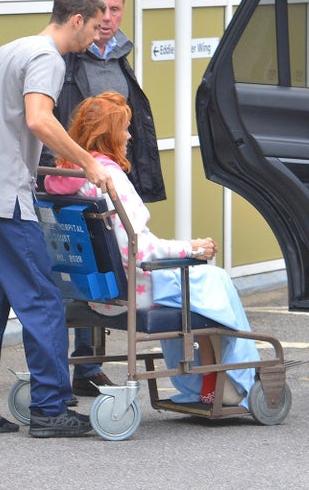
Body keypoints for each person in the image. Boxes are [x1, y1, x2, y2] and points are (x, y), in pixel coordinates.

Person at [0, 0, 112, 437]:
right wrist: (86, 162)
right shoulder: (48, 58)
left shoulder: (9, 49)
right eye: (96, 26)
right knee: (43, 302)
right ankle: (49, 408)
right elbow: (39, 118)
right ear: (76, 20)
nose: (98, 36)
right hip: (5, 199)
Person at [44, 92, 260, 408]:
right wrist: (191, 248)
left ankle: (203, 384)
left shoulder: (64, 177)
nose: (130, 136)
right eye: (125, 128)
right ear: (109, 136)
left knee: (201, 294)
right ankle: (237, 380)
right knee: (215, 283)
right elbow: (140, 250)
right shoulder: (109, 178)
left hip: (95, 295)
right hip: (135, 289)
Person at [41, 0, 167, 397]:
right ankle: (66, 369)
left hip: (112, 180)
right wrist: (57, 173)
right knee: (76, 275)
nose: (109, 18)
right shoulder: (63, 56)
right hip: (72, 179)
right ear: (83, 13)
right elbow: (48, 120)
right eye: (103, 10)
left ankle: (88, 368)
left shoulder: (119, 56)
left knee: (110, 271)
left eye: (116, 9)